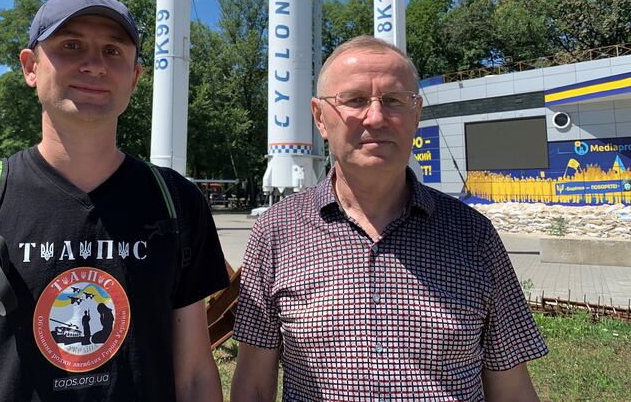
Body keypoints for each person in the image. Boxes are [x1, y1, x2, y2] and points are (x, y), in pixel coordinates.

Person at [0, 0, 230, 402]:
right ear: (30, 66)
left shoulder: (178, 203)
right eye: (70, 45)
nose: (94, 65)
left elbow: (195, 379)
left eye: (113, 51)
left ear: (134, 77)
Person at [231, 35, 547, 402]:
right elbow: (252, 384)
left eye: (394, 101)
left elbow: (512, 388)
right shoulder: (275, 232)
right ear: (320, 117)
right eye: (354, 100)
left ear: (416, 115)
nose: (376, 117)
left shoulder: (474, 235)